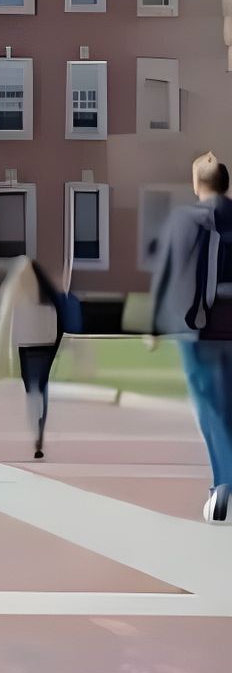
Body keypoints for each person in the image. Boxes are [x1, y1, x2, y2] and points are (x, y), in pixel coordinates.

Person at [147, 151, 232, 521]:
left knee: (208, 404)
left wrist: (153, 324)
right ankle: (223, 481)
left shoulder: (183, 219)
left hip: (195, 323)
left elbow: (165, 272)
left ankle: (223, 482)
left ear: (196, 184)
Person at [0, 256, 70, 461]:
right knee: (42, 389)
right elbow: (61, 321)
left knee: (32, 390)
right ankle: (39, 431)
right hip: (45, 346)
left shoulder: (16, 296)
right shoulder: (48, 296)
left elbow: (5, 321)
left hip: (27, 348)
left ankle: (36, 428)